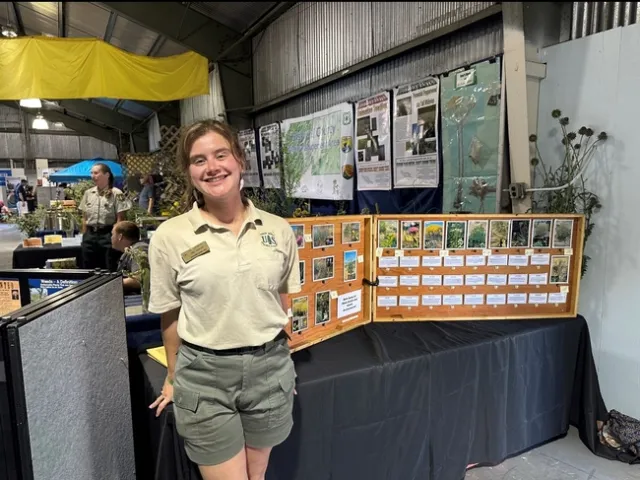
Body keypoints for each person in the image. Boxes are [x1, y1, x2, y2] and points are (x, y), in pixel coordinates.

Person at [148, 119, 300, 480]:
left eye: (220, 154)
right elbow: (169, 315)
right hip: (205, 377)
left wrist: (282, 363)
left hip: (269, 370)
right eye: (199, 160)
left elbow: (282, 300)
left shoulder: (278, 230)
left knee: (257, 474)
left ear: (240, 161)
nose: (212, 166)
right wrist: (173, 376)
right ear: (189, 172)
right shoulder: (171, 237)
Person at [79, 163, 131, 271]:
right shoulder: (88, 193)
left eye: (96, 173)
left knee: (109, 266)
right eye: (92, 173)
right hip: (90, 235)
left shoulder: (117, 193)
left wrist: (116, 237)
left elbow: (120, 218)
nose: (93, 176)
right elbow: (84, 217)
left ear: (107, 175)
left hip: (108, 234)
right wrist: (84, 235)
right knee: (88, 267)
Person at [111, 220, 149, 294]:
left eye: (112, 234)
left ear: (120, 237)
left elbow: (139, 279)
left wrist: (113, 284)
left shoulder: (138, 250)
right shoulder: (132, 250)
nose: (111, 238)